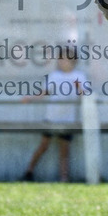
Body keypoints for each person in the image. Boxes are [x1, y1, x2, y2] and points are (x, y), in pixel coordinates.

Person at [21, 49, 88, 182]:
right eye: (60, 59)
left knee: (65, 149)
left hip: (68, 119)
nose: (62, 62)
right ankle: (29, 171)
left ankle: (64, 178)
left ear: (73, 61)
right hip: (51, 117)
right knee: (44, 145)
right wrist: (31, 98)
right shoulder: (54, 76)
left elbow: (84, 96)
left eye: (65, 59)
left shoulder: (79, 76)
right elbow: (44, 92)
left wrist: (79, 88)